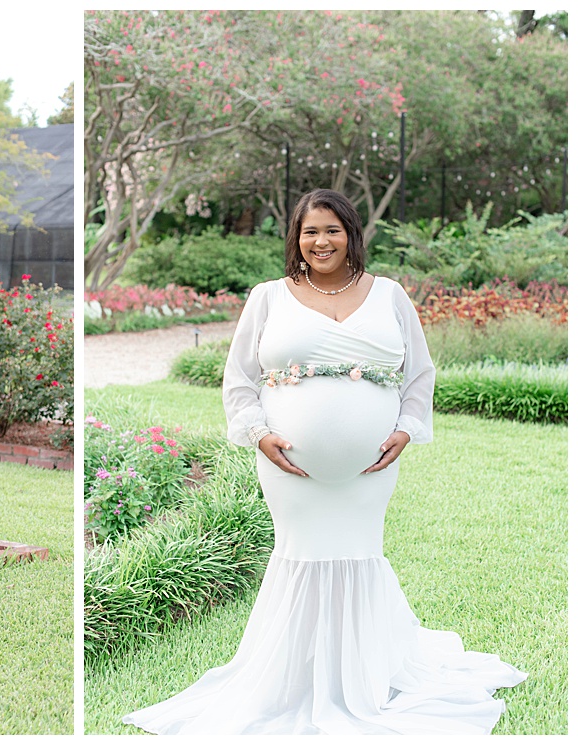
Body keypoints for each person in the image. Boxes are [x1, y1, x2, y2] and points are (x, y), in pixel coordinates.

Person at [123, 189, 524, 734]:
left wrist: (407, 429)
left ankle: (364, 677)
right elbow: (239, 377)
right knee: (299, 555)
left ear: (352, 234)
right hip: (290, 471)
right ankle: (291, 680)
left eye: (332, 229)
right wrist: (259, 434)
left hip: (370, 472)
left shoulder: (389, 295)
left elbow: (421, 373)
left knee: (360, 553)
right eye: (310, 231)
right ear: (296, 237)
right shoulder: (269, 297)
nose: (321, 241)